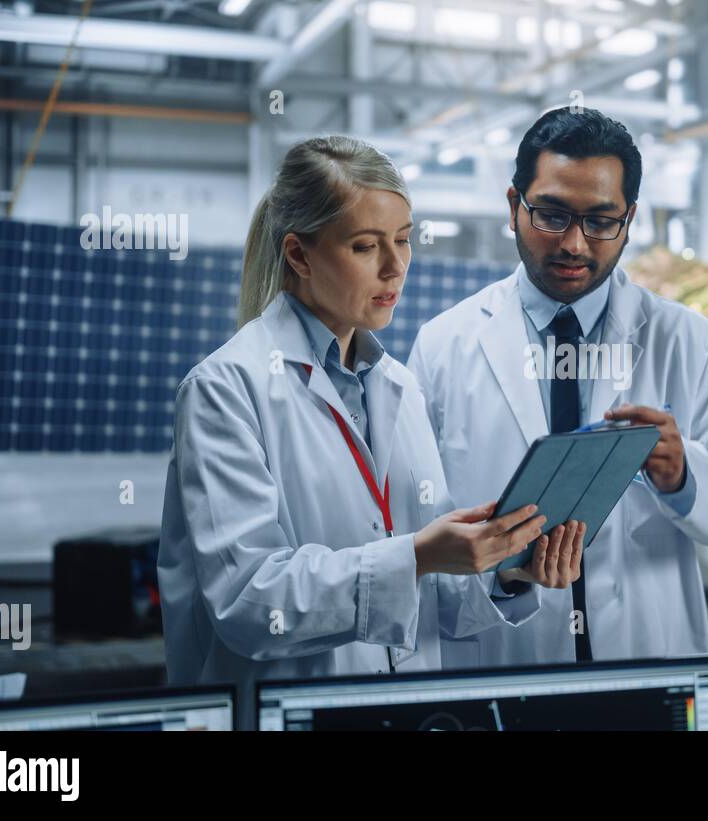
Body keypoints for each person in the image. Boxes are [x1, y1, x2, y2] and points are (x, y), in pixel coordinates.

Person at [159, 136, 583, 726]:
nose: (395, 267)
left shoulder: (400, 388)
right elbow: (250, 603)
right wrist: (414, 555)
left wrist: (504, 568)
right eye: (366, 246)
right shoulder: (227, 389)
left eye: (404, 240)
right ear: (300, 256)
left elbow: (420, 598)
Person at [408, 108, 708, 667]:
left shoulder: (690, 344)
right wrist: (506, 578)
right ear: (514, 207)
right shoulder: (443, 347)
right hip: (507, 656)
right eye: (552, 216)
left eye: (601, 221)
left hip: (648, 653)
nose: (575, 245)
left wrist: (684, 474)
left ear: (629, 220)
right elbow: (417, 532)